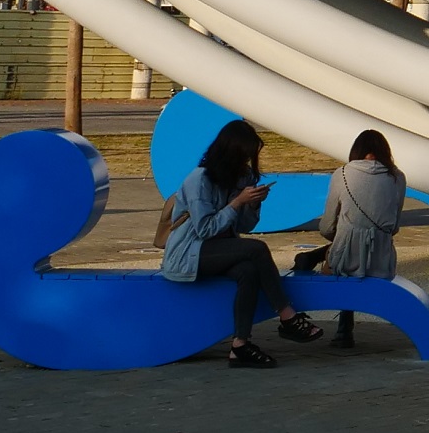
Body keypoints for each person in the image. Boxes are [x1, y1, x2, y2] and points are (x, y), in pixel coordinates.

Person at [159, 117, 319, 366]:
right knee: (257, 249)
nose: (246, 164)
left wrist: (253, 204)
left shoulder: (237, 178)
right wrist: (237, 203)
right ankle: (287, 316)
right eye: (243, 157)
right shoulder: (199, 180)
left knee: (248, 270)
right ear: (229, 154)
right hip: (188, 254)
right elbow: (205, 229)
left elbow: (244, 227)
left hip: (217, 250)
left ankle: (240, 345)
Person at [298, 129, 409, 350]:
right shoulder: (398, 177)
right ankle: (343, 330)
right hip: (382, 259)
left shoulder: (343, 174)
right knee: (354, 251)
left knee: (344, 253)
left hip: (346, 258)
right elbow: (393, 227)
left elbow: (327, 226)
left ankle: (318, 321)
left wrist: (344, 234)